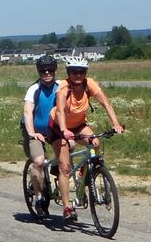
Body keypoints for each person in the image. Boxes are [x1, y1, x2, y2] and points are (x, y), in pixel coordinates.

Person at [50, 56, 124, 222]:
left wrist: (116, 124)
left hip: (78, 124)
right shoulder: (64, 86)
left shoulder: (89, 84)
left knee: (95, 142)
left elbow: (106, 103)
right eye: (74, 71)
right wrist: (64, 130)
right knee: (65, 167)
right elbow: (60, 111)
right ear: (69, 73)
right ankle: (67, 207)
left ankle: (84, 173)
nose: (78, 75)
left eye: (81, 71)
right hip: (58, 126)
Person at [20, 55, 59, 218]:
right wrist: (32, 133)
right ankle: (39, 197)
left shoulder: (61, 87)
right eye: (43, 71)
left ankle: (57, 171)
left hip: (53, 130)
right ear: (39, 72)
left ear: (55, 70)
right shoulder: (34, 89)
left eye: (50, 70)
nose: (47, 73)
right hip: (34, 130)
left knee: (70, 148)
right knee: (39, 161)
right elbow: (28, 112)